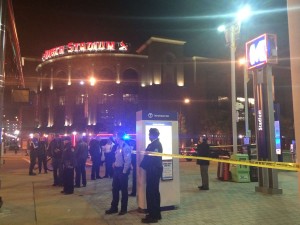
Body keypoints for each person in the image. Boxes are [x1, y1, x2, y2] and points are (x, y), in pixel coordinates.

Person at [105, 131, 131, 216]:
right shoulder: (117, 147)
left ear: (119, 138)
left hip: (122, 171)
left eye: (116, 137)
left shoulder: (125, 147)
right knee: (115, 189)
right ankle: (114, 207)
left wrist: (124, 172)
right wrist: (114, 164)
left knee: (124, 191)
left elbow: (127, 161)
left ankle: (124, 209)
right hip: (116, 170)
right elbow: (117, 157)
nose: (115, 138)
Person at [140, 128, 163, 223]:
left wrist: (143, 164)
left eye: (150, 134)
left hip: (154, 171)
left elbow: (152, 158)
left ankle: (154, 216)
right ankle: (155, 213)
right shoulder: (153, 144)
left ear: (153, 135)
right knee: (153, 193)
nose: (149, 136)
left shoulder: (156, 144)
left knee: (152, 193)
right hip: (152, 171)